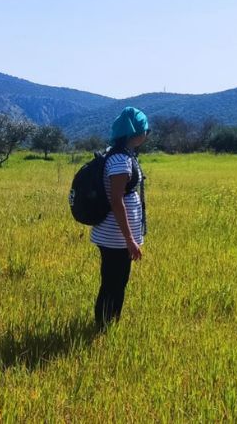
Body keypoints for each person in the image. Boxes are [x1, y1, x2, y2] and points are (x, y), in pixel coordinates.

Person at [90, 106, 150, 330]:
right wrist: (130, 240)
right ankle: (104, 327)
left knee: (116, 281)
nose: (147, 134)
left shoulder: (119, 155)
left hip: (115, 235)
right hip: (115, 237)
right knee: (113, 283)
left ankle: (109, 324)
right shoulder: (120, 160)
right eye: (146, 129)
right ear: (137, 132)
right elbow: (116, 200)